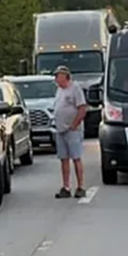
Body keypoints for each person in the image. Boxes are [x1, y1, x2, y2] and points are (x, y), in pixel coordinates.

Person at [52, 65, 88, 198]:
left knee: (76, 157)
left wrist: (75, 124)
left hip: (72, 130)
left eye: (57, 76)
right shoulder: (59, 91)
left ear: (65, 76)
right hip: (60, 129)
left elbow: (82, 108)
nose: (56, 79)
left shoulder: (75, 88)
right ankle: (66, 186)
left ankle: (80, 186)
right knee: (63, 159)